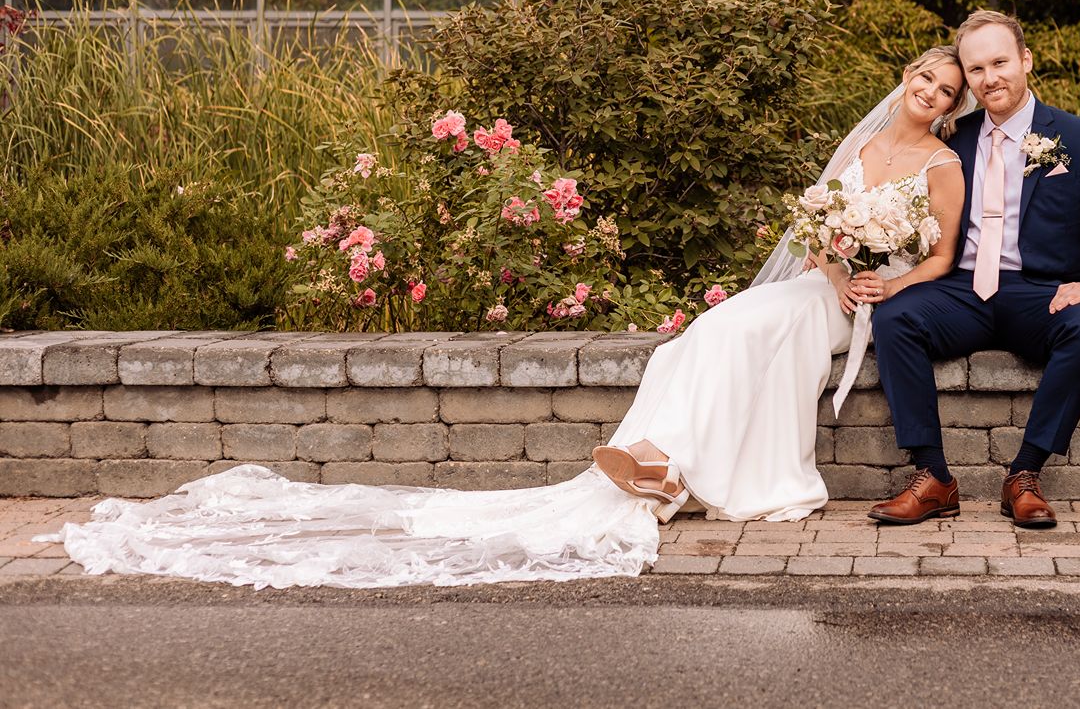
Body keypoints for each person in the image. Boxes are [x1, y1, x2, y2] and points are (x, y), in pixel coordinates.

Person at [41, 47, 971, 588]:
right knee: (703, 335)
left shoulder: (939, 166)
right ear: (904, 78)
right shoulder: (865, 141)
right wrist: (828, 259)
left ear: (953, 107)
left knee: (747, 331)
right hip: (821, 283)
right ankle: (658, 466)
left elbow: (938, 256)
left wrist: (878, 283)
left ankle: (680, 470)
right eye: (923, 82)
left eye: (944, 93)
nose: (929, 96)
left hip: (866, 305)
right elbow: (815, 230)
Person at [866, 11, 1080, 530]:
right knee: (895, 318)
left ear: (1025, 61)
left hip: (1040, 293)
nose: (989, 78)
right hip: (961, 290)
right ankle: (932, 477)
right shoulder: (954, 135)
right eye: (976, 69)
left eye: (1000, 62)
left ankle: (1024, 474)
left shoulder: (1077, 137)